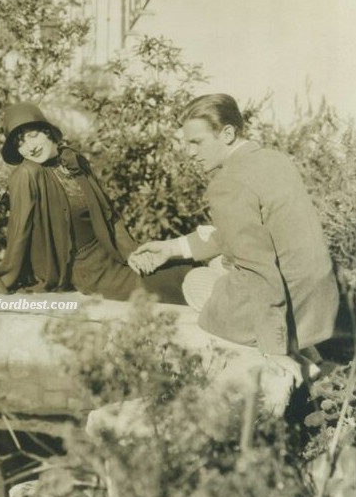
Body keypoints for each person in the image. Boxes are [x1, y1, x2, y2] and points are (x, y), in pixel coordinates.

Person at [129, 93, 339, 358]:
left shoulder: (228, 182)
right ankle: (312, 357)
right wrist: (171, 248)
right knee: (220, 265)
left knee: (196, 281)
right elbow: (239, 234)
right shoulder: (276, 160)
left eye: (197, 142)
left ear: (227, 133)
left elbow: (258, 272)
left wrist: (273, 351)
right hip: (317, 302)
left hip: (286, 310)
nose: (190, 152)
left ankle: (297, 356)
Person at [0, 102, 191, 303]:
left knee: (186, 266)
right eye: (20, 143)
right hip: (84, 268)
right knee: (173, 282)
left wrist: (131, 252)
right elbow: (19, 230)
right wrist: (5, 279)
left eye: (32, 135)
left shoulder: (72, 160)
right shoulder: (27, 174)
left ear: (46, 131)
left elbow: (108, 212)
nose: (30, 147)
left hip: (110, 250)